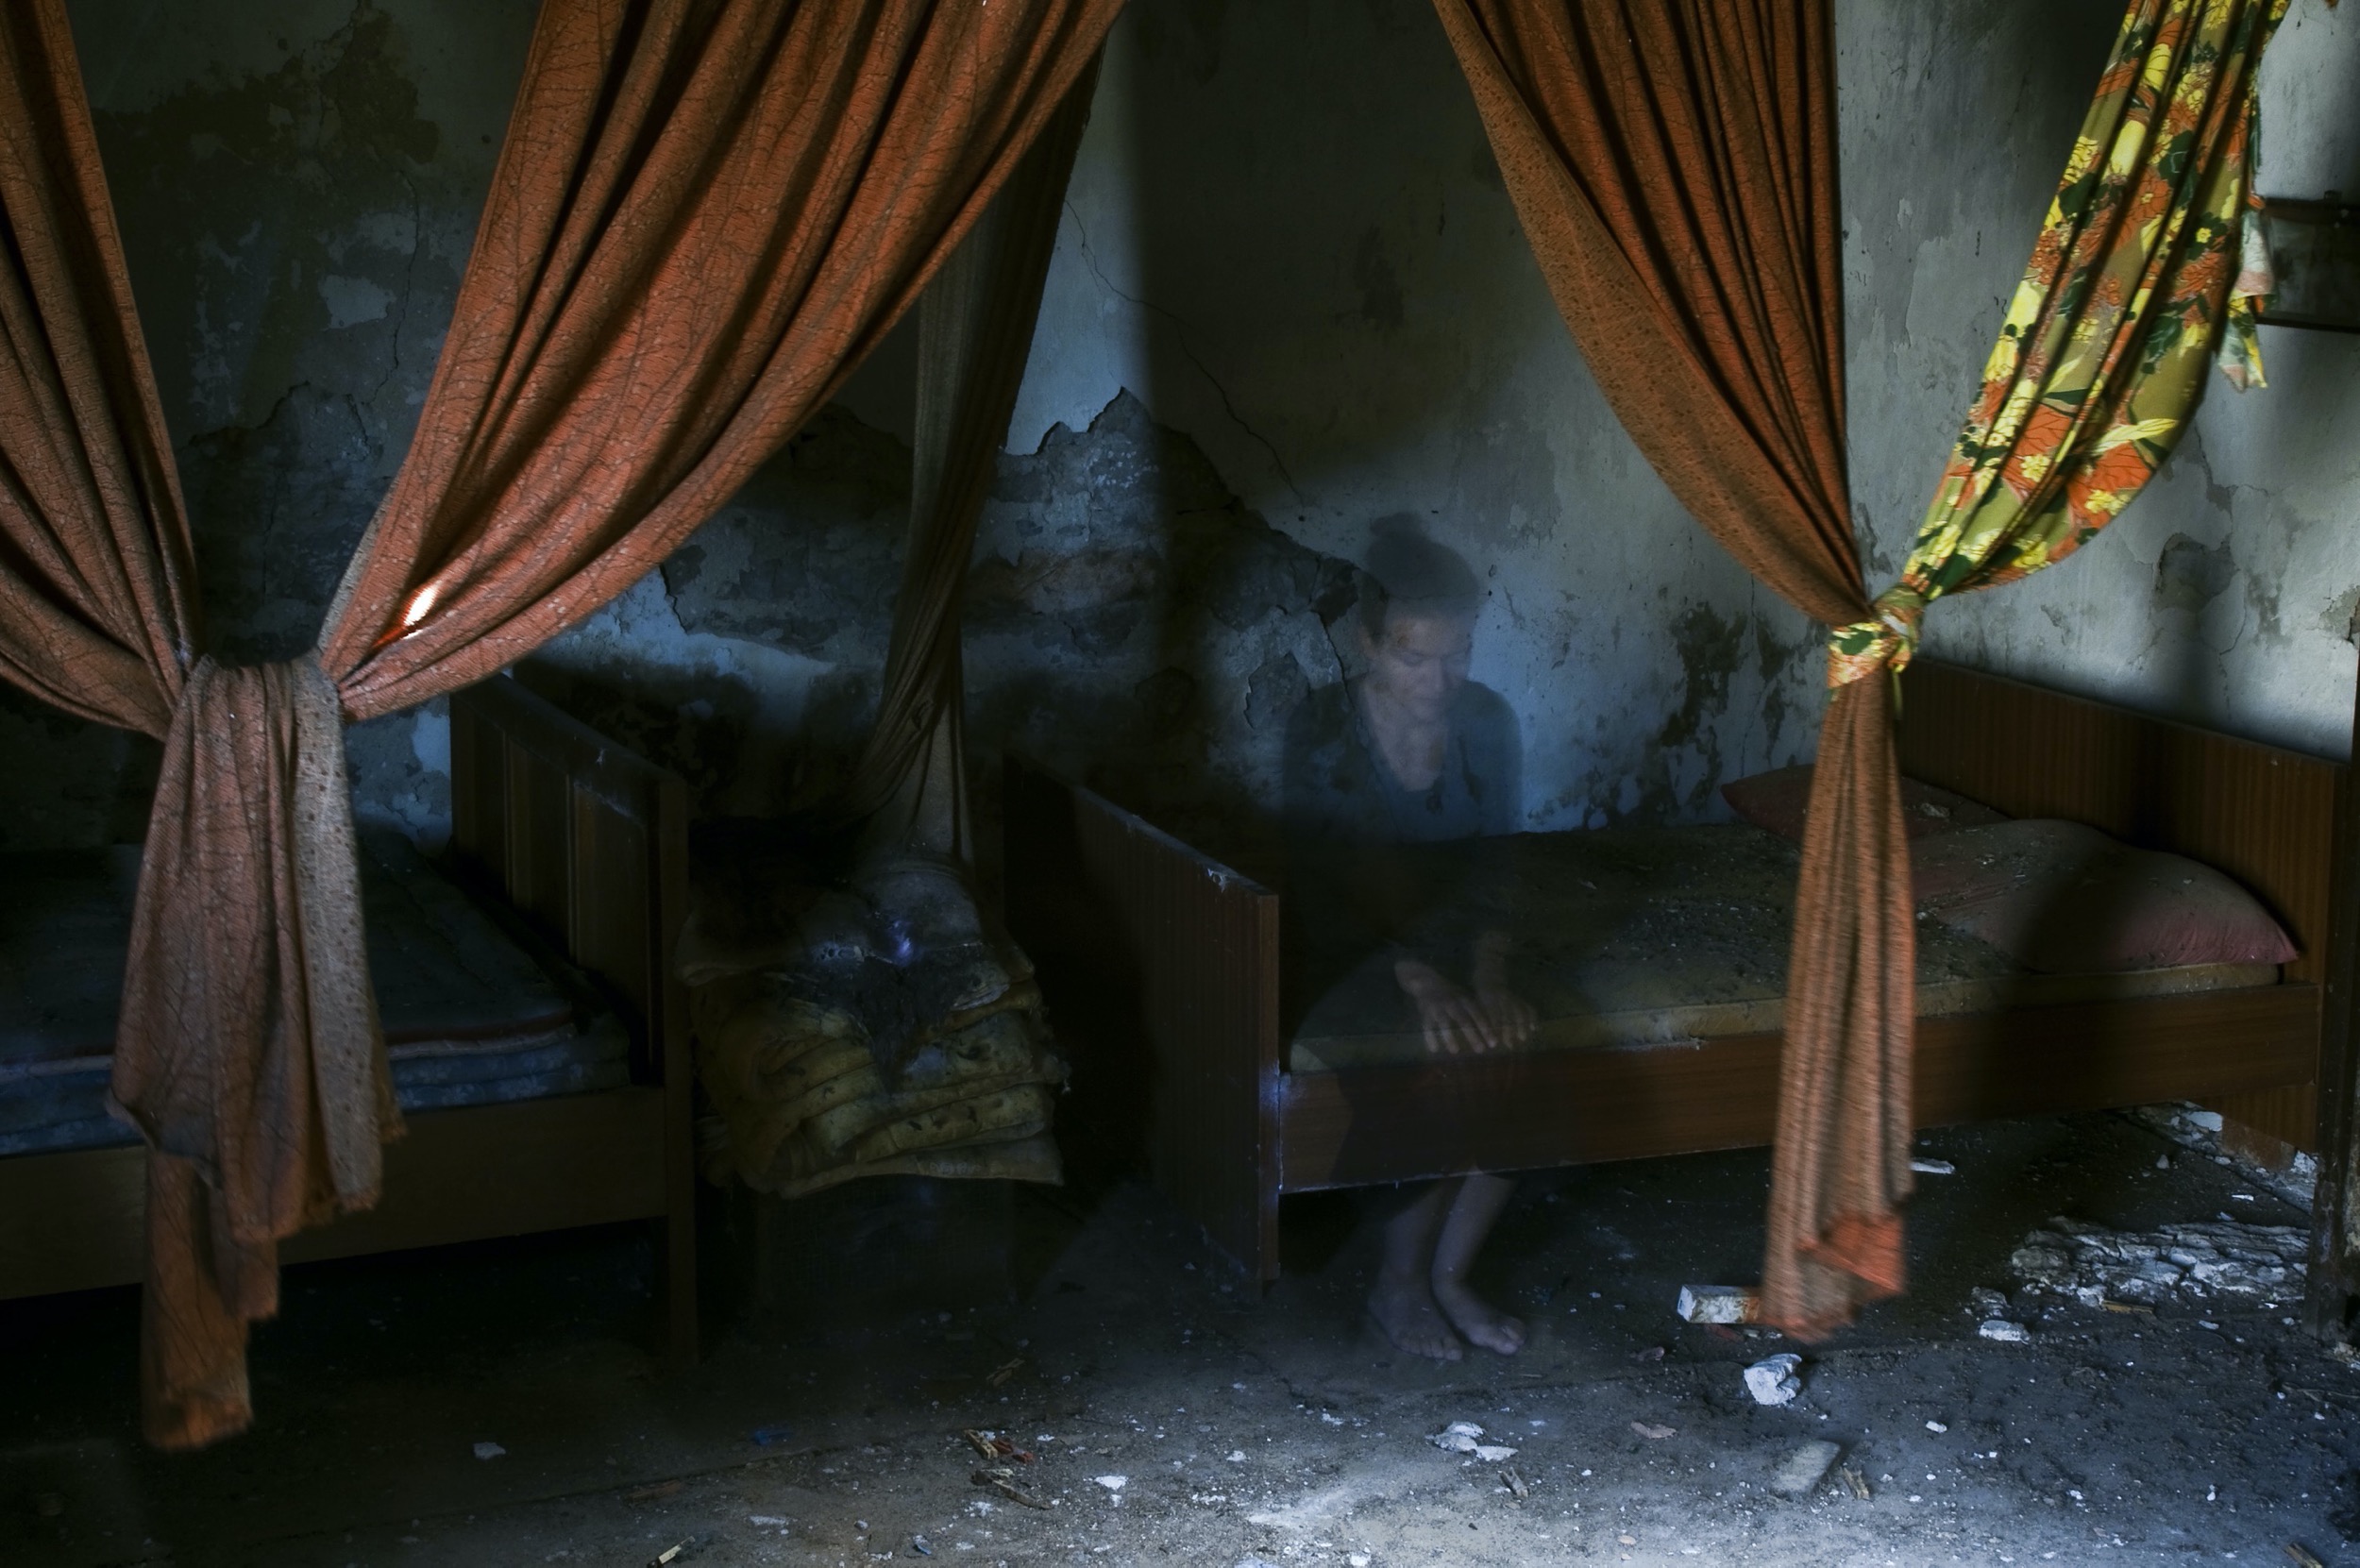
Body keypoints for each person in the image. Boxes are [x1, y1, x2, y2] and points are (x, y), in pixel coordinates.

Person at [1282, 520, 1537, 1361]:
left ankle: (1452, 1276)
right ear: (1368, 643)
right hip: (1347, 950)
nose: (1438, 680)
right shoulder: (1323, 728)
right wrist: (1421, 979)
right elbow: (1324, 885)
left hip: (1458, 943)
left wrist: (1490, 974)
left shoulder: (1487, 720)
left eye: (1456, 654)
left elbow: (1499, 861)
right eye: (1412, 657)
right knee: (1437, 1067)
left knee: (1518, 1050)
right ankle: (1398, 1285)